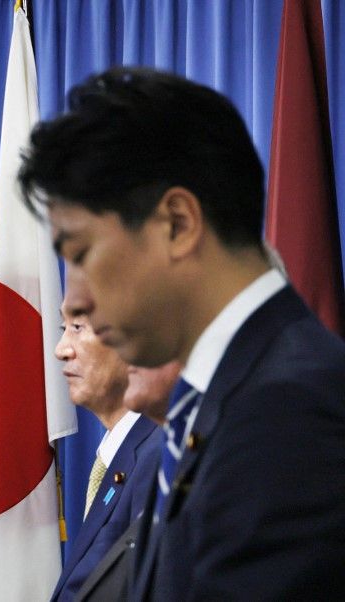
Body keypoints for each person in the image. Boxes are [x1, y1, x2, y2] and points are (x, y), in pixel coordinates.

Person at [20, 66, 345, 599]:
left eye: (82, 255)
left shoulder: (288, 414)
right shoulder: (194, 411)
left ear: (176, 223)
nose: (75, 299)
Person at [51, 269, 164, 602]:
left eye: (77, 327)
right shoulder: (119, 455)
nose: (61, 349)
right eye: (63, 328)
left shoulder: (158, 458)